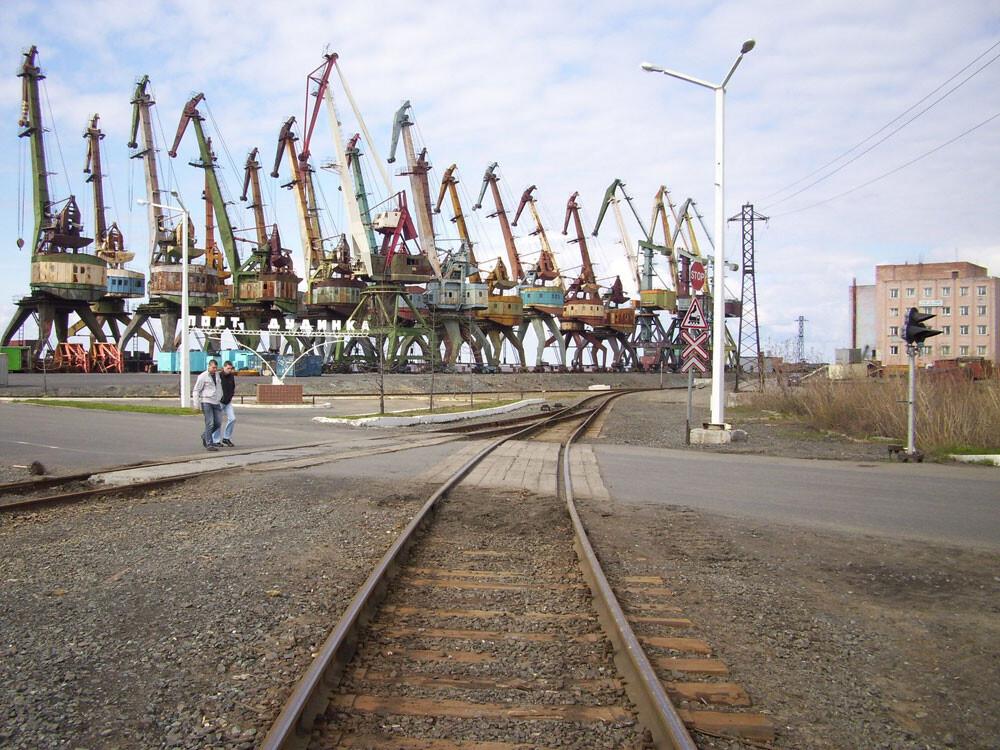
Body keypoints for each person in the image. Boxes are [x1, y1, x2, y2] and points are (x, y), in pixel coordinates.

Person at [192, 359, 223, 451]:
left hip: (216, 402)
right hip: (207, 401)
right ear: (209, 366)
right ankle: (209, 444)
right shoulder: (202, 376)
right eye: (213, 367)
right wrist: (196, 404)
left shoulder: (217, 375)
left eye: (216, 368)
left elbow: (219, 387)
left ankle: (205, 435)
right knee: (210, 423)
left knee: (218, 423)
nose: (215, 369)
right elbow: (196, 390)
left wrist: (220, 396)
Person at [212, 361, 237, 447]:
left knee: (232, 418)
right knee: (218, 421)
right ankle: (215, 440)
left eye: (231, 368)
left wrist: (231, 396)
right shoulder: (218, 376)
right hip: (219, 402)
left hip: (228, 401)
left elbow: (233, 387)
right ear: (224, 367)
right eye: (228, 368)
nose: (229, 370)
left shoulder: (231, 377)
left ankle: (226, 438)